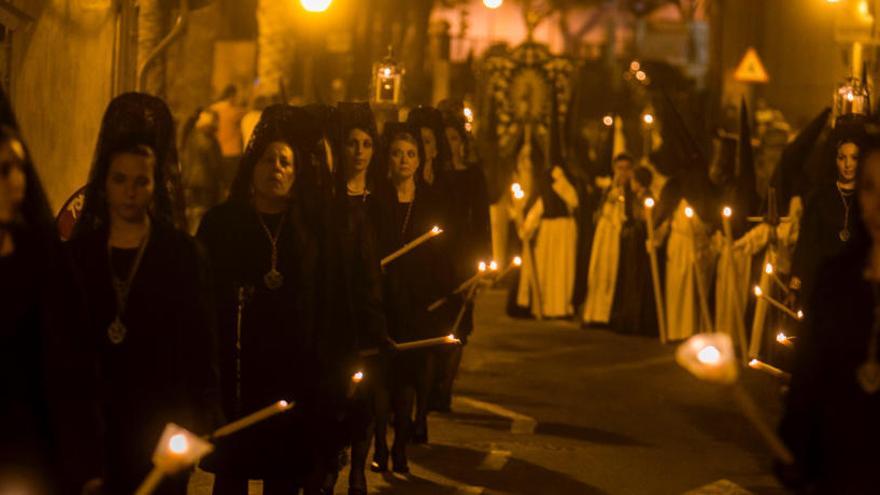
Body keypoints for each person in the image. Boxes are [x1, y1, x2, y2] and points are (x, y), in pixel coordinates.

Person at [67, 93, 221, 495]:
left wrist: (197, 418)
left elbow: (200, 344)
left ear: (156, 185)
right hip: (96, 429)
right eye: (120, 180)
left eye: (141, 181)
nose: (130, 192)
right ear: (104, 183)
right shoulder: (78, 256)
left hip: (157, 427)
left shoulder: (182, 255)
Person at [197, 104, 330, 494]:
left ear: (297, 173)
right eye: (269, 159)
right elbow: (202, 292)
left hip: (288, 374)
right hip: (237, 372)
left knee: (283, 475)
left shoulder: (308, 230)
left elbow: (320, 297)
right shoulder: (222, 223)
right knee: (232, 473)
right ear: (251, 168)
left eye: (286, 162)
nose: (277, 168)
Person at [0, 88, 102, 495]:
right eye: (4, 170)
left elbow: (71, 363)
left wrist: (84, 461)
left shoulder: (41, 257)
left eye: (20, 167)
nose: (18, 181)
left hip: (31, 449)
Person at [778, 135, 880, 493]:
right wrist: (796, 446)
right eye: (869, 188)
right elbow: (810, 371)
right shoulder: (835, 281)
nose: (878, 202)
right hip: (840, 457)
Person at [371, 122, 453, 474]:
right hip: (382, 299)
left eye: (410, 154)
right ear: (387, 159)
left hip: (416, 302)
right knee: (380, 378)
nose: (403, 160)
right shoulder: (376, 200)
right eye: (396, 154)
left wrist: (438, 292)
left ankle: (400, 445)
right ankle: (378, 445)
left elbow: (440, 254)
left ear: (419, 160)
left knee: (407, 379)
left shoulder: (431, 201)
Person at [332, 101, 393, 495]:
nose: (359, 152)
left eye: (367, 144)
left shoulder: (379, 199)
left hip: (373, 308)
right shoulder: (330, 198)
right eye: (352, 143)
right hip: (337, 307)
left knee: (367, 393)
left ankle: (358, 470)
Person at [789, 134, 863, 309]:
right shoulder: (818, 198)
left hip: (857, 289)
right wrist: (795, 285)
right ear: (834, 160)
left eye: (854, 158)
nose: (848, 165)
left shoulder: (868, 198)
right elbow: (806, 244)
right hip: (823, 288)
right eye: (842, 158)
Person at [582, 153, 632, 326]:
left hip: (618, 240)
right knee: (599, 272)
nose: (623, 173)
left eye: (626, 169)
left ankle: (609, 314)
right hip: (604, 237)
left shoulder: (631, 192)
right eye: (619, 169)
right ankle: (594, 314)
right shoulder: (607, 190)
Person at [609, 166, 658, 336]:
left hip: (638, 241)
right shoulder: (635, 196)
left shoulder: (646, 197)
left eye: (634, 181)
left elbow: (645, 218)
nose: (632, 184)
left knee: (637, 278)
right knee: (629, 277)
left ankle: (637, 319)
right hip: (632, 241)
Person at [180, 107, 224, 231]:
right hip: (207, 184)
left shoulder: (191, 137)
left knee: (193, 214)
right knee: (204, 215)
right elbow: (215, 165)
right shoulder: (210, 141)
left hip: (190, 181)